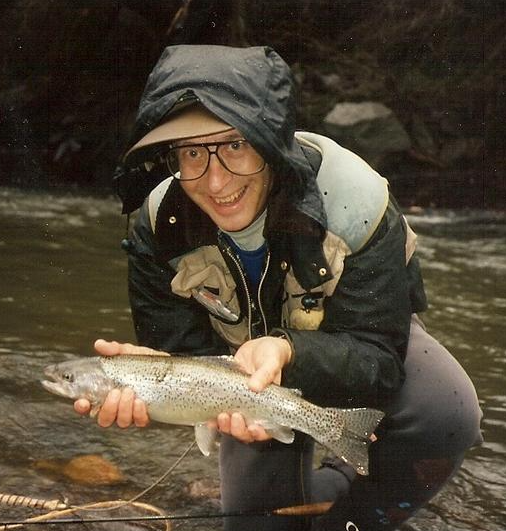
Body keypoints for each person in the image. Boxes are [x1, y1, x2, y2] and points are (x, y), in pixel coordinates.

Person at [74, 45, 483, 531]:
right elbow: (182, 351)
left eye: (233, 145)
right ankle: (325, 484)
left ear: (269, 142)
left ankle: (353, 517)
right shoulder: (157, 223)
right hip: (242, 379)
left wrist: (289, 351)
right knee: (257, 525)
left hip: (350, 343)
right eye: (191, 153)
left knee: (445, 410)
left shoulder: (355, 200)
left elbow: (377, 356)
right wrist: (162, 384)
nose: (217, 180)